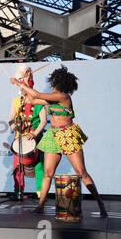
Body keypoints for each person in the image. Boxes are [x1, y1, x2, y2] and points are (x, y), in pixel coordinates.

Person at [10, 65, 107, 217]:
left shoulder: (63, 96)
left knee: (81, 173)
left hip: (67, 134)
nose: (51, 82)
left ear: (56, 82)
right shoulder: (51, 98)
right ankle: (40, 206)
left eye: (53, 80)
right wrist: (26, 81)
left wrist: (18, 83)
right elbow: (31, 100)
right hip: (53, 135)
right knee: (48, 173)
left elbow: (35, 94)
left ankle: (101, 205)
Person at [8, 64, 46, 200]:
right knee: (17, 167)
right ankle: (18, 191)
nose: (22, 87)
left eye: (24, 84)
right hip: (20, 138)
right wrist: (13, 126)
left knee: (40, 166)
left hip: (36, 137)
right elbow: (11, 119)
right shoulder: (16, 101)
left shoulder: (38, 100)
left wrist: (35, 134)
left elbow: (43, 121)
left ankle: (40, 193)